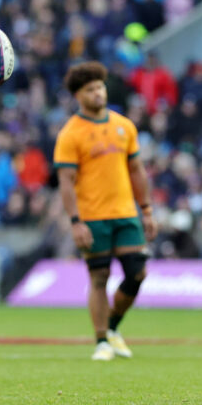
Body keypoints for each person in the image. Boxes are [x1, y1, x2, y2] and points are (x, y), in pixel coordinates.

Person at [54, 61, 158, 361]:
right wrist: (76, 222)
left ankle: (112, 326)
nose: (98, 93)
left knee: (137, 273)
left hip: (126, 214)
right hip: (92, 218)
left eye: (100, 87)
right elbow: (66, 182)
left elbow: (136, 170)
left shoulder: (125, 126)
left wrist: (147, 210)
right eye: (90, 89)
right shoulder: (70, 134)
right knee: (99, 277)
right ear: (78, 95)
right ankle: (101, 340)